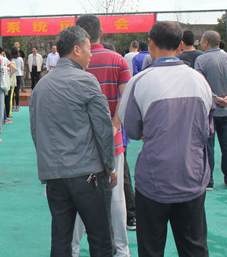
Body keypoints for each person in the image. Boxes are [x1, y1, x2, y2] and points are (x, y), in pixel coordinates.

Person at [119, 21, 213, 257]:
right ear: (180, 45)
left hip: (154, 180)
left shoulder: (139, 82)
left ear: (150, 43)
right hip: (192, 176)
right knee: (194, 248)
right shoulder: (199, 80)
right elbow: (206, 128)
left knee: (151, 249)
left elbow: (132, 130)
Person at [30, 25, 116, 257]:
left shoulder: (41, 86)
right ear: (77, 50)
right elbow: (103, 129)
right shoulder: (86, 81)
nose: (91, 55)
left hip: (54, 175)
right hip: (87, 173)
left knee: (61, 238)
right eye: (89, 49)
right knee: (100, 238)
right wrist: (110, 165)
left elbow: (36, 131)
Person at [72, 14, 130, 257]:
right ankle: (122, 251)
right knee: (116, 199)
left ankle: (72, 249)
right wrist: (115, 124)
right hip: (112, 141)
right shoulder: (117, 60)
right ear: (101, 33)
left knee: (77, 199)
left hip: (78, 144)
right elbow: (126, 96)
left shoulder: (73, 62)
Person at [195, 31, 227, 190]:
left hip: (209, 111)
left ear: (206, 42)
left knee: (208, 148)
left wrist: (215, 98)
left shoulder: (201, 60)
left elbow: (200, 85)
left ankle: (208, 181)